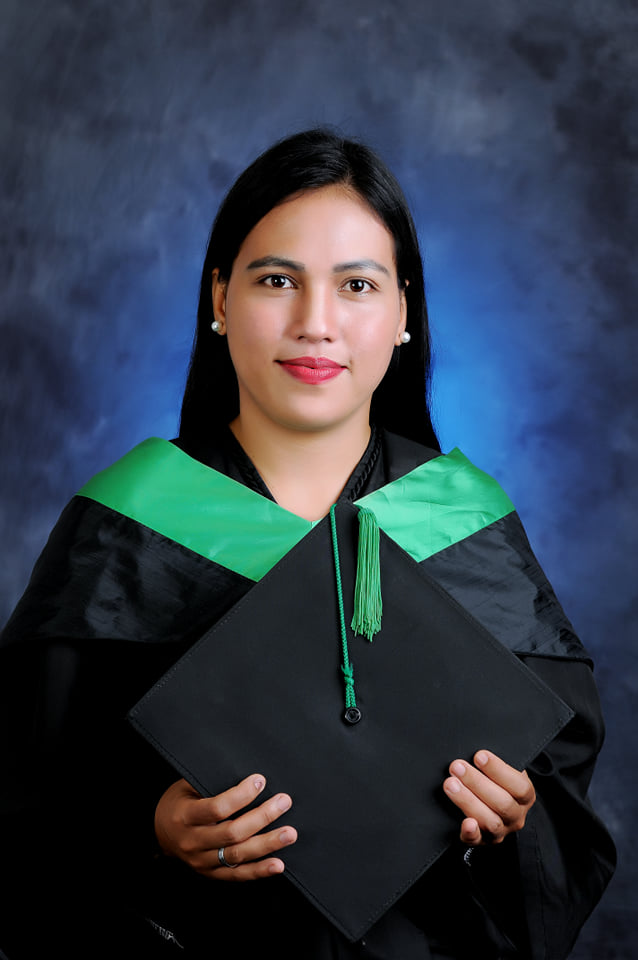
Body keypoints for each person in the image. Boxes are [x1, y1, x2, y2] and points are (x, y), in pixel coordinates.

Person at [0, 129, 615, 960]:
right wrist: (151, 828)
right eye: (276, 280)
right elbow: (26, 788)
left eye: (357, 285)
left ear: (403, 312)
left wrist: (512, 820)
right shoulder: (126, 524)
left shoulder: (464, 520)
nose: (315, 323)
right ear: (220, 298)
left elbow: (558, 806)